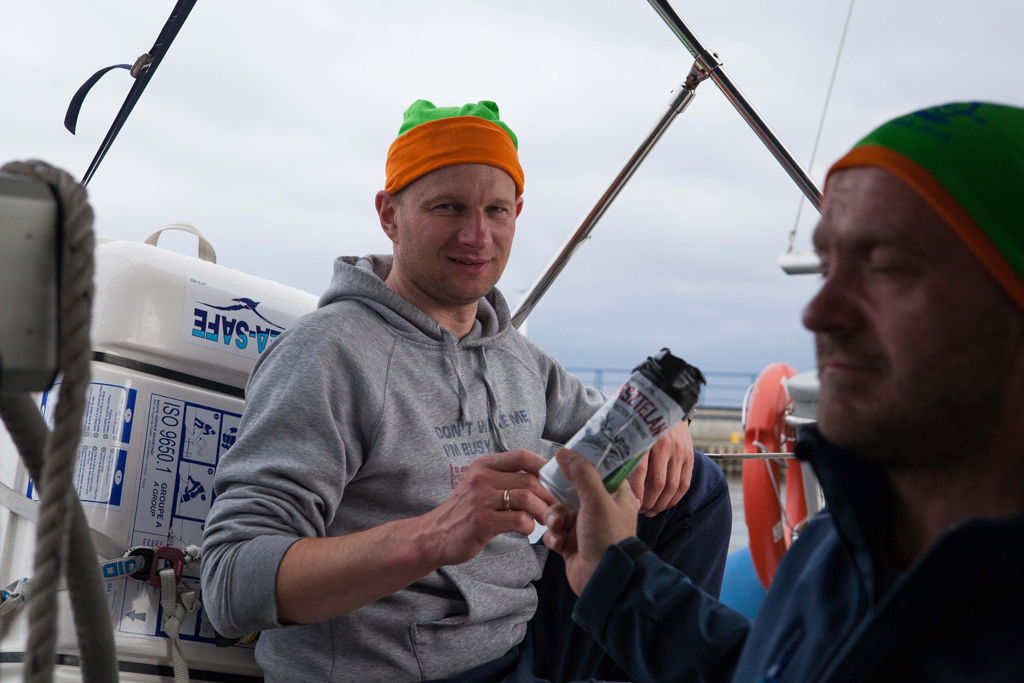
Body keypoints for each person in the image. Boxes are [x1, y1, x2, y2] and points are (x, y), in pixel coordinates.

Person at [201, 99, 732, 682]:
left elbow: (608, 430)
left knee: (694, 485)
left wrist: (666, 421)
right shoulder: (328, 354)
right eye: (448, 207)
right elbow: (229, 584)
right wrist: (433, 535)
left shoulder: (514, 355)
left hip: (520, 642)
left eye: (495, 210)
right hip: (403, 671)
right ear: (390, 215)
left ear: (516, 213)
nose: (477, 235)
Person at [542, 101, 1024, 682]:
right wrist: (616, 577)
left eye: (885, 266)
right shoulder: (839, 547)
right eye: (826, 267)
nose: (818, 312)